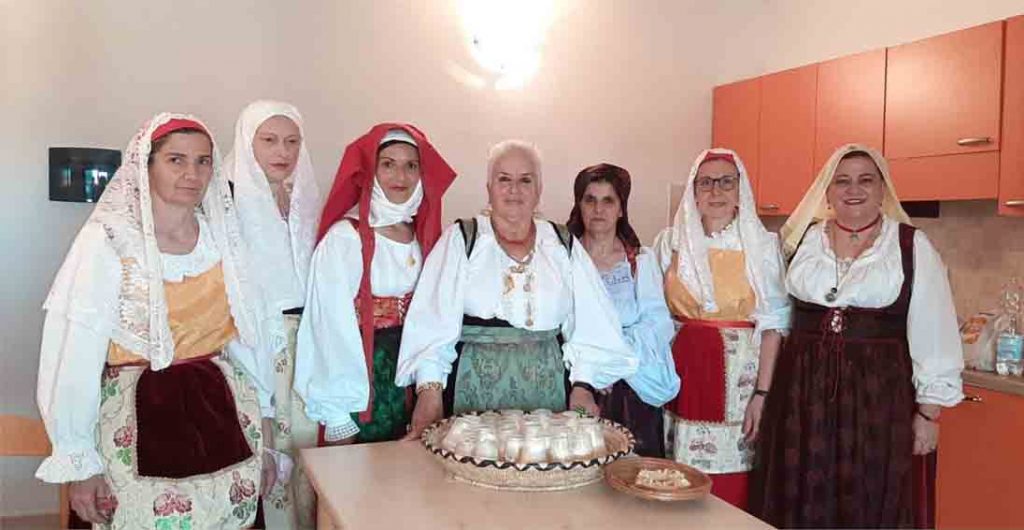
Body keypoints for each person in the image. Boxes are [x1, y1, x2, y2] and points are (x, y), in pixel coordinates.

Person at [36, 113, 278, 528]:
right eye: (176, 160)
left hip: (221, 410)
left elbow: (247, 340)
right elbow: (72, 350)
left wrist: (267, 435)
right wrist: (79, 462)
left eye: (203, 161)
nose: (192, 173)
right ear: (146, 167)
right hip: (134, 415)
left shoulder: (221, 240)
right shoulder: (109, 241)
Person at [752, 144, 964, 528]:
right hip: (801, 395)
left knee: (872, 493)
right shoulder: (801, 242)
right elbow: (777, 318)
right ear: (828, 192)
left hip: (878, 399)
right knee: (800, 490)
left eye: (866, 180)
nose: (854, 190)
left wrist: (929, 413)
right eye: (842, 181)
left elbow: (935, 331)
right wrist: (763, 393)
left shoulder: (911, 246)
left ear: (883, 189)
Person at [398, 140, 637, 439]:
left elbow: (593, 320)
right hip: (471, 391)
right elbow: (432, 322)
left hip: (549, 393)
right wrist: (429, 394)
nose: (514, 190)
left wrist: (584, 385)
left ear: (539, 189)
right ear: (489, 188)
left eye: (525, 180)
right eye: (504, 180)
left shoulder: (562, 244)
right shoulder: (462, 239)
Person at [294, 124, 456, 445]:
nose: (401, 176)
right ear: (371, 171)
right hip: (362, 378)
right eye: (388, 164)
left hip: (412, 380)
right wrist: (339, 415)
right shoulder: (346, 238)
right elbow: (330, 326)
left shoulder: (423, 237)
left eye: (411, 165)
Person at [653, 148, 790, 510]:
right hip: (682, 375)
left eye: (726, 181)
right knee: (677, 475)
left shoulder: (762, 246)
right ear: (694, 191)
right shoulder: (670, 243)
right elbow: (654, 316)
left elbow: (774, 323)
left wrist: (762, 393)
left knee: (732, 478)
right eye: (707, 182)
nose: (716, 191)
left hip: (739, 382)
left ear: (740, 189)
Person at [224, 100, 322, 528]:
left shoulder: (309, 200)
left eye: (291, 141)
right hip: (255, 343)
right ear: (249, 144)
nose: (282, 151)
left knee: (312, 457)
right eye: (269, 140)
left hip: (310, 342)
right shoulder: (226, 204)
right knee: (267, 458)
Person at [566, 163, 679, 456]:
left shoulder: (639, 261)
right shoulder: (564, 259)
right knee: (580, 469)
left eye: (608, 200)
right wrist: (591, 370)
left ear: (621, 209)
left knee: (634, 476)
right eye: (590, 200)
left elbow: (658, 324)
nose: (598, 209)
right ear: (579, 206)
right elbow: (559, 323)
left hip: (633, 392)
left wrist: (613, 359)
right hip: (579, 388)